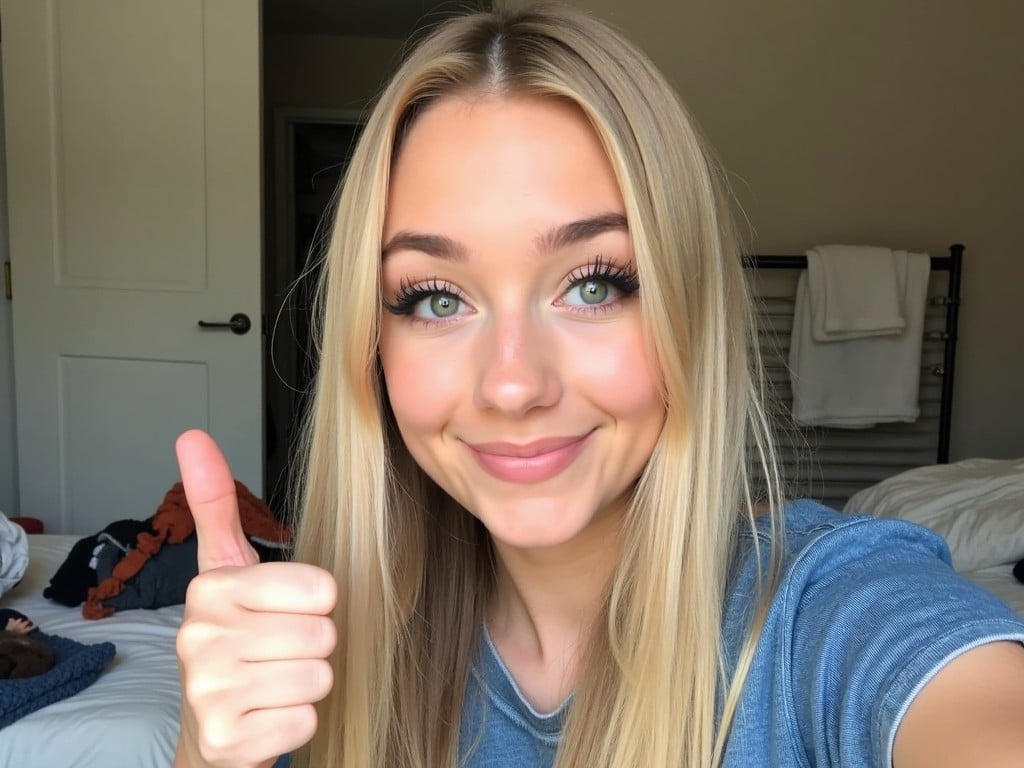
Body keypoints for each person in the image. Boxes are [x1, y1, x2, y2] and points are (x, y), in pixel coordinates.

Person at [172, 4, 1024, 768]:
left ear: (686, 309)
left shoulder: (827, 614)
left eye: (593, 285)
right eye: (435, 297)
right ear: (373, 345)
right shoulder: (315, 657)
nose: (512, 385)